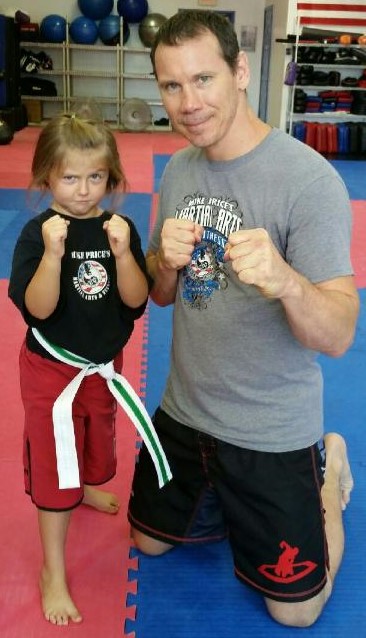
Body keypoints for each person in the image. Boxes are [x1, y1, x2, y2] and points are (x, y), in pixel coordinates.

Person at [127, 10, 360, 628]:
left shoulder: (309, 182)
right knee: (146, 542)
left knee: (297, 612)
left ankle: (327, 466)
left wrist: (285, 280)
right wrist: (165, 265)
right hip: (184, 414)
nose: (188, 103)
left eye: (203, 79)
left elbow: (338, 335)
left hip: (269, 431)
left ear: (239, 70)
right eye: (171, 85)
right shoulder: (178, 169)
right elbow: (161, 297)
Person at [8, 110, 156, 626]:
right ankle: (53, 568)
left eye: (96, 177)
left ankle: (85, 486)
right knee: (54, 463)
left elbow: (137, 302)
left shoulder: (120, 228)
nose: (84, 189)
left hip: (104, 367)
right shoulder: (36, 233)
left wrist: (122, 255)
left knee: (97, 439)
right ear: (46, 175)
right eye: (70, 177)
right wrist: (52, 256)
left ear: (111, 178)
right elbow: (39, 309)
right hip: (52, 372)